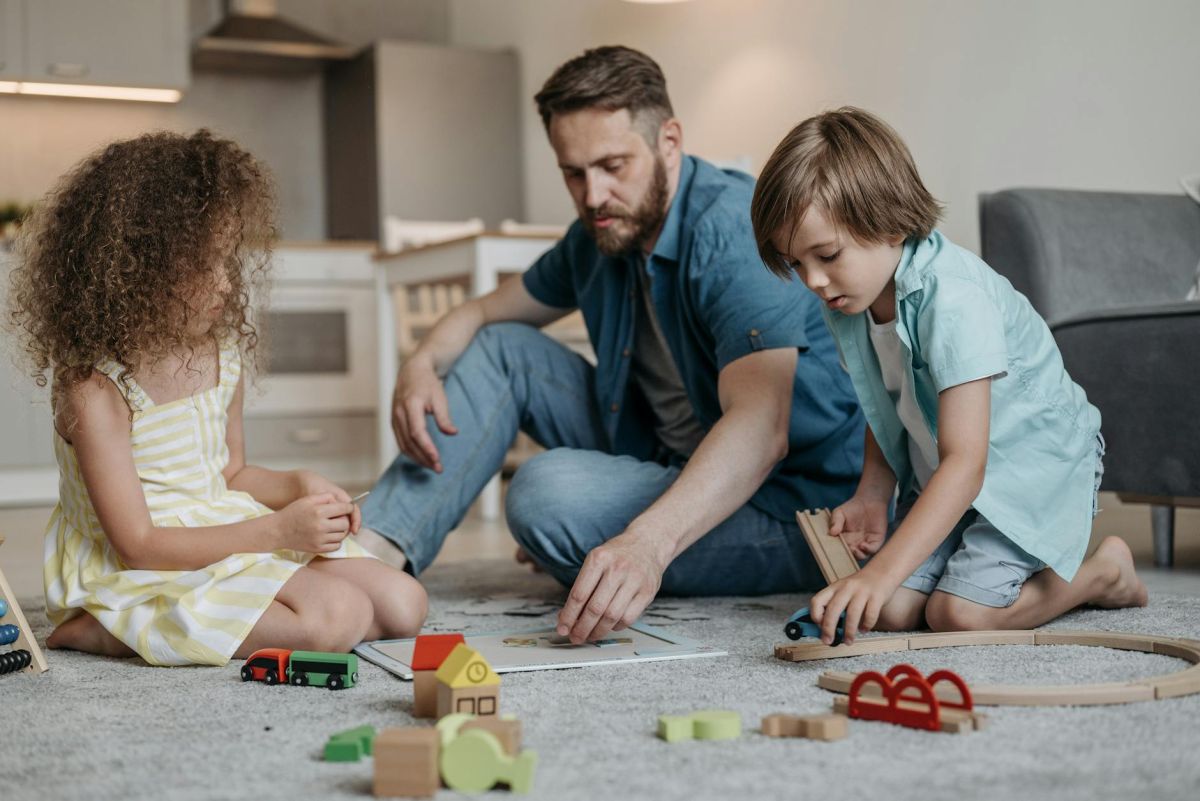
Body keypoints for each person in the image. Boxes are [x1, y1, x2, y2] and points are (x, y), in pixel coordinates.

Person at [358, 46, 864, 643]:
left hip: (789, 506)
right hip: (668, 457)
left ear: (668, 141)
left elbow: (760, 429)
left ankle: (602, 543)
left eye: (612, 165)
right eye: (573, 173)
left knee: (546, 496)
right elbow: (480, 313)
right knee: (500, 347)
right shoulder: (602, 230)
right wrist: (420, 363)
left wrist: (644, 542)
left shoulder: (732, 229)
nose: (593, 194)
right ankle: (372, 553)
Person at [7, 130, 426, 666]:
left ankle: (229, 603)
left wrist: (298, 485)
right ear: (142, 265)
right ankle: (102, 625)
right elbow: (137, 543)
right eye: (209, 263)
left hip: (224, 533)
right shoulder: (95, 388)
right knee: (336, 617)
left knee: (403, 602)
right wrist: (275, 530)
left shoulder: (221, 355)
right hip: (142, 565)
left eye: (231, 260)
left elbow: (231, 474)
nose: (229, 283)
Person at [749, 107, 1147, 645]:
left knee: (957, 615)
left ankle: (1103, 572)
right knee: (887, 610)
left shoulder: (955, 300)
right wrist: (872, 492)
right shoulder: (849, 297)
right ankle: (990, 563)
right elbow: (882, 400)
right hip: (945, 467)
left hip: (1029, 467)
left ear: (887, 221)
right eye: (796, 264)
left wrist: (878, 571)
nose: (813, 281)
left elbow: (969, 462)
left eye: (826, 255)